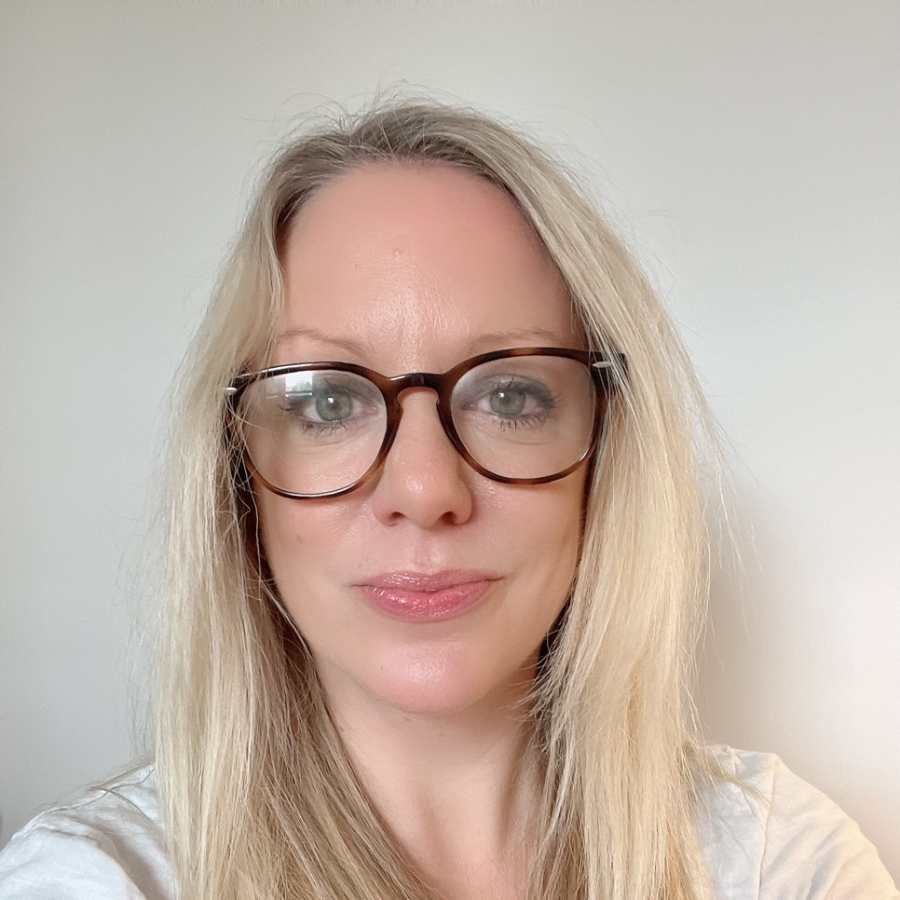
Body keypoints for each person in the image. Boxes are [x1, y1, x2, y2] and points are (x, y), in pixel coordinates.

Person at [1, 97, 896, 900]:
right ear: (235, 475)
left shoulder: (778, 860)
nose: (426, 490)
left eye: (511, 395)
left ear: (611, 457)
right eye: (328, 402)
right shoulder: (102, 878)